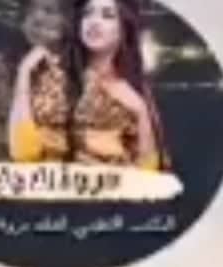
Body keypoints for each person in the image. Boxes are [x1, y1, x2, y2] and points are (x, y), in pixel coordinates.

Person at [69, 0, 167, 168]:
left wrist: (141, 111)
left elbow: (151, 168)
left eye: (107, 15)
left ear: (124, 29)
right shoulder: (59, 76)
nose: (94, 22)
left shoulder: (136, 88)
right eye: (87, 13)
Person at [6, 0, 75, 163]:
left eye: (49, 10)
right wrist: (24, 72)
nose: (37, 18)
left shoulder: (80, 69)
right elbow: (21, 150)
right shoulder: (22, 68)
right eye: (29, 13)